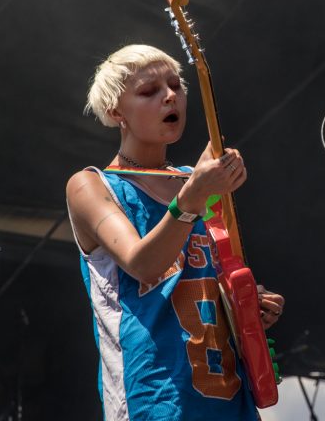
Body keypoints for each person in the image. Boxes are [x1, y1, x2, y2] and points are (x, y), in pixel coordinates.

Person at [66, 44, 284, 420]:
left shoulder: (195, 181)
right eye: (149, 91)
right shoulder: (91, 185)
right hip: (153, 399)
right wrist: (194, 195)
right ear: (117, 112)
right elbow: (143, 265)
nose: (170, 96)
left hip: (229, 396)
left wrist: (248, 304)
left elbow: (213, 279)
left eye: (175, 85)